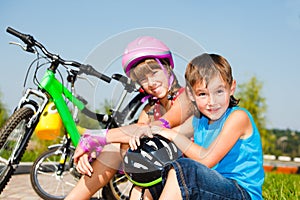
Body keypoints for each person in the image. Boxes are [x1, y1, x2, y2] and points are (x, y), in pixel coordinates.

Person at [65, 36, 193, 200]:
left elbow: (163, 123)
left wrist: (95, 138)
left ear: (167, 68)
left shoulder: (186, 97)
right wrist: (95, 148)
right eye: (143, 79)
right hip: (160, 172)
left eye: (154, 72)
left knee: (124, 140)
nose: (151, 82)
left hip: (191, 173)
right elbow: (136, 131)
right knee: (115, 147)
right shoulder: (150, 109)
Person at [130, 53, 265, 199]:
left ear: (231, 88)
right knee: (149, 182)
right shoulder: (198, 120)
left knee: (185, 169)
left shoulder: (238, 117)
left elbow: (206, 159)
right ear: (191, 94)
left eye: (219, 91)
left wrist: (171, 134)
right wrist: (146, 134)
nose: (212, 101)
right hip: (209, 187)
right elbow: (167, 135)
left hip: (241, 193)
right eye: (202, 94)